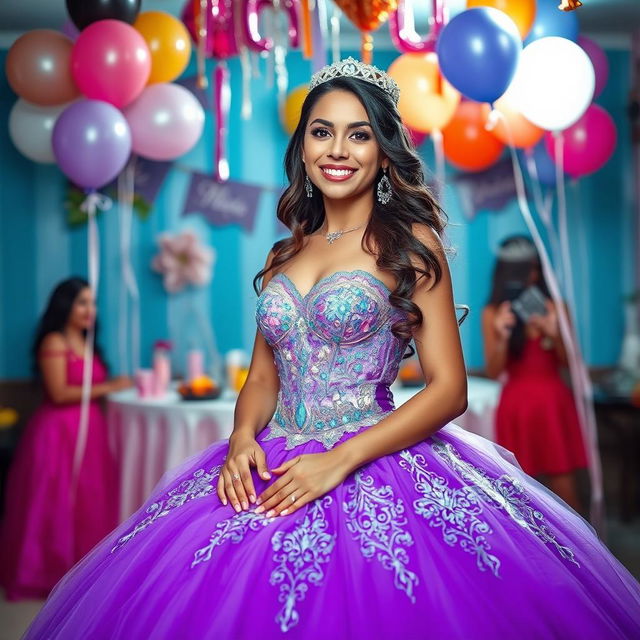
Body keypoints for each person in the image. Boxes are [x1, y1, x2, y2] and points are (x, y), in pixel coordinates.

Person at [24, 59, 640, 639]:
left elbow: (448, 388)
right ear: (303, 147)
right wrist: (242, 437)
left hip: (373, 453)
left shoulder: (411, 243)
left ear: (383, 152)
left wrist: (341, 458)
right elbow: (264, 378)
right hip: (274, 455)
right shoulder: (285, 253)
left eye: (359, 135)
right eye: (323, 132)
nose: (338, 150)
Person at [0, 277, 131, 600]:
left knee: (87, 501)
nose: (90, 310)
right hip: (58, 433)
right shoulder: (54, 342)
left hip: (90, 431)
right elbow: (59, 393)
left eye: (92, 302)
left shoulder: (87, 342)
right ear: (65, 306)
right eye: (82, 302)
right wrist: (112, 387)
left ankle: (82, 571)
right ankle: (47, 571)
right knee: (53, 501)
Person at [482, 236, 587, 512]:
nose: (532, 275)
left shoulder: (556, 307)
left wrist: (555, 334)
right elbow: (494, 373)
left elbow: (572, 365)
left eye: (534, 268)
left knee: (567, 497)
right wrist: (503, 336)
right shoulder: (493, 313)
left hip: (553, 402)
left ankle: (581, 553)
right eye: (522, 269)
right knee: (520, 498)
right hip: (516, 407)